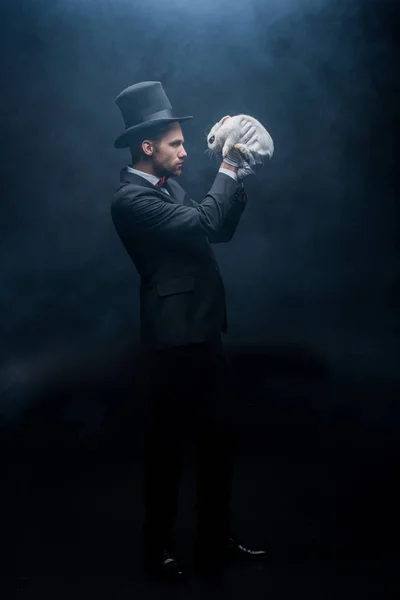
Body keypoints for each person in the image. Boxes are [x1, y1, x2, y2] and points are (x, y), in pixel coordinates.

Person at [111, 81, 268, 582]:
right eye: (176, 144)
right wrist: (227, 165)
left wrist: (237, 173)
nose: (184, 152)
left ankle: (214, 538)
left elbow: (217, 227)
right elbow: (205, 220)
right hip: (172, 341)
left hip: (203, 332)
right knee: (167, 450)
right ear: (147, 147)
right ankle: (155, 548)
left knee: (220, 441)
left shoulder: (169, 190)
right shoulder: (130, 201)